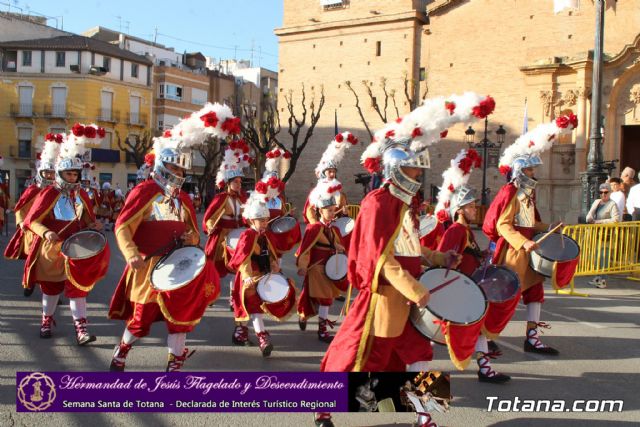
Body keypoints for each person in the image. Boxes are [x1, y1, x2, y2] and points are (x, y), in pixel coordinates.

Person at [321, 136, 460, 372]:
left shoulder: (404, 203)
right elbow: (380, 258)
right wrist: (414, 289)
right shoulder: (377, 203)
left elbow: (409, 247)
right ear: (396, 168)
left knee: (420, 351)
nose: (418, 174)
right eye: (413, 168)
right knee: (361, 358)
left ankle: (422, 406)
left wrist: (440, 258)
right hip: (385, 297)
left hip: (409, 294)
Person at [109, 140, 219, 372]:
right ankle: (122, 350)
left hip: (178, 266)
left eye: (181, 169)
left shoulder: (184, 199)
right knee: (141, 318)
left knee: (180, 318)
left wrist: (192, 239)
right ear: (161, 166)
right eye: (174, 168)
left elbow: (194, 234)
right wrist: (130, 253)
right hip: (148, 266)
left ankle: (175, 361)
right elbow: (122, 226)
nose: (178, 173)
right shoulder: (145, 191)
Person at [484, 114, 578, 357]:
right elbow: (504, 225)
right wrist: (523, 242)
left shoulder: (527, 193)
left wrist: (549, 226)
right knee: (506, 298)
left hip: (530, 250)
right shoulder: (510, 192)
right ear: (520, 170)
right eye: (530, 168)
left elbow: (530, 223)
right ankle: (485, 336)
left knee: (535, 293)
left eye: (533, 168)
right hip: (515, 252)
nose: (534, 172)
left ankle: (533, 338)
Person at [22, 125, 107, 345]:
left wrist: (94, 225)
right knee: (51, 291)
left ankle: (81, 330)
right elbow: (32, 220)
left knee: (78, 290)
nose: (73, 176)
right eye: (69, 172)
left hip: (77, 249)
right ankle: (46, 321)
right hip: (52, 249)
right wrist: (46, 231)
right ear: (61, 173)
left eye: (76, 173)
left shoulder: (82, 195)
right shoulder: (49, 193)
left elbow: (86, 220)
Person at [226, 182, 296, 356]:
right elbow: (243, 259)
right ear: (251, 220)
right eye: (261, 220)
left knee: (254, 306)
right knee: (252, 306)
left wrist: (274, 266)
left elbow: (270, 255)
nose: (264, 223)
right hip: (248, 275)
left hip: (262, 274)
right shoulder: (247, 235)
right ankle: (261, 337)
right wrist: (248, 276)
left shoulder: (264, 235)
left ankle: (242, 331)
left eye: (266, 220)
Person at [296, 180, 348, 343]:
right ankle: (318, 326)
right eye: (329, 211)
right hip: (316, 267)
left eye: (334, 210)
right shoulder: (314, 228)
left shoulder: (332, 229)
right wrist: (303, 266)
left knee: (322, 298)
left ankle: (313, 322)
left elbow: (334, 242)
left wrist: (340, 247)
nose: (333, 213)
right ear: (320, 210)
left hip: (330, 267)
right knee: (321, 298)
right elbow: (305, 250)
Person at [203, 140, 250, 308]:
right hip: (222, 236)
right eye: (236, 182)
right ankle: (211, 295)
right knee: (215, 267)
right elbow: (209, 217)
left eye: (240, 182)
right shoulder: (221, 198)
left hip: (238, 235)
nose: (239, 185)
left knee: (235, 268)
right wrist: (210, 226)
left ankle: (233, 298)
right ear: (229, 183)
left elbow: (248, 216)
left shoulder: (244, 198)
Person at [4, 134, 59, 270]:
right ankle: (29, 281)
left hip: (51, 228)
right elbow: (20, 209)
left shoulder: (58, 191)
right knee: (33, 258)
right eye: (47, 172)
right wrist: (21, 222)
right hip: (33, 227)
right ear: (41, 173)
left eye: (52, 173)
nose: (50, 175)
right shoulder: (33, 190)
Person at [303, 132, 357, 224]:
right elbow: (309, 212)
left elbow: (343, 216)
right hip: (319, 228)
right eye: (329, 172)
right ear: (324, 173)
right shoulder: (315, 194)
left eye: (334, 172)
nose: (332, 174)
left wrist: (345, 213)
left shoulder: (340, 195)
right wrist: (316, 225)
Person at [586, 183, 621, 289]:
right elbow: (590, 213)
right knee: (597, 256)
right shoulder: (597, 202)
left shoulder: (612, 204)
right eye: (601, 192)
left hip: (606, 235)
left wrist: (599, 222)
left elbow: (615, 219)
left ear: (609, 193)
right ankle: (597, 277)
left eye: (606, 192)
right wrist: (589, 219)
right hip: (595, 234)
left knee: (604, 256)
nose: (603, 194)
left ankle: (603, 280)